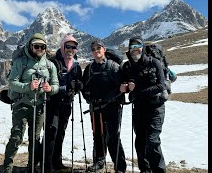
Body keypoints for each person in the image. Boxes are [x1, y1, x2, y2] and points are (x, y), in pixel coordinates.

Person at [3, 33, 59, 173]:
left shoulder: (50, 65)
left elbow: (55, 84)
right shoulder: (20, 62)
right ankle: (7, 168)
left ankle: (32, 167)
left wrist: (50, 88)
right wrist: (28, 86)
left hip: (40, 105)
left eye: (42, 46)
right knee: (16, 137)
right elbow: (12, 83)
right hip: (21, 104)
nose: (39, 49)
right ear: (30, 46)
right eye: (36, 46)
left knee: (35, 138)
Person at [120, 36, 167, 173]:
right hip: (139, 108)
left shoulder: (155, 63)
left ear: (142, 48)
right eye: (132, 47)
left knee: (152, 141)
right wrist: (125, 88)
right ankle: (145, 170)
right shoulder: (127, 66)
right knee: (140, 142)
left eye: (137, 46)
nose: (135, 50)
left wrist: (138, 90)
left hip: (155, 108)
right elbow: (126, 85)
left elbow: (161, 85)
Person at [81, 40, 127, 172]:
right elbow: (84, 87)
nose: (96, 51)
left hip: (112, 107)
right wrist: (87, 96)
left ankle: (120, 167)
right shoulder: (89, 69)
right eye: (93, 49)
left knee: (113, 136)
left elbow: (121, 87)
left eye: (98, 48)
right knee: (98, 135)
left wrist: (108, 98)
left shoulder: (113, 66)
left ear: (104, 49)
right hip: (95, 107)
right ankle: (99, 161)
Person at [43, 34, 83, 172]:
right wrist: (65, 88)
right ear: (62, 46)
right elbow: (47, 83)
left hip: (66, 105)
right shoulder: (54, 63)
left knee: (60, 133)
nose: (71, 49)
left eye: (74, 47)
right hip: (52, 104)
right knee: (51, 133)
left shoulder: (76, 66)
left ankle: (57, 162)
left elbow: (79, 83)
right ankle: (46, 165)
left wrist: (78, 86)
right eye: (68, 46)